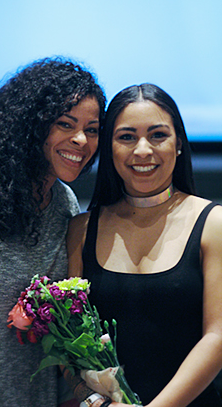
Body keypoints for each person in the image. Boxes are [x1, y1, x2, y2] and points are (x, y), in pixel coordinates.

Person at [0, 57, 106, 407]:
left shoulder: (66, 203)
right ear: (32, 125)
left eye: (92, 129)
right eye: (65, 124)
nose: (81, 140)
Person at [66, 84, 222, 407]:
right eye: (126, 137)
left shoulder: (214, 224)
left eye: (157, 135)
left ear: (179, 144)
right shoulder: (80, 229)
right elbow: (69, 342)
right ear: (108, 148)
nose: (142, 150)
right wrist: (95, 400)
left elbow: (217, 337)